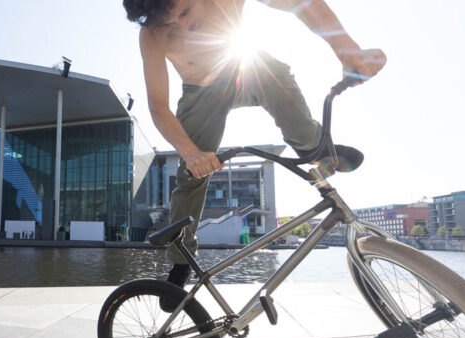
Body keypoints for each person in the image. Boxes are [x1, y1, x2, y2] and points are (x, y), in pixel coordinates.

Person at [121, 0, 386, 309]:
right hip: (200, 94)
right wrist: (192, 153)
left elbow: (303, 4)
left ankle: (312, 144)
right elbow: (159, 107)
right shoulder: (152, 34)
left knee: (273, 73)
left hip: (243, 67)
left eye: (183, 13)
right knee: (190, 175)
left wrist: (346, 48)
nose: (179, 27)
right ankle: (181, 263)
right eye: (169, 25)